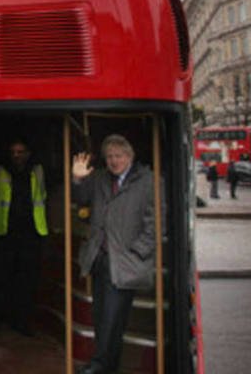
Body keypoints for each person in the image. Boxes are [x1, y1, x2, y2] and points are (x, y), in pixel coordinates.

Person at [72, 135, 157, 374]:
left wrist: (136, 253)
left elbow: (156, 225)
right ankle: (108, 366)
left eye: (118, 156)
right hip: (100, 259)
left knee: (111, 319)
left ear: (130, 157)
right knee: (102, 319)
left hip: (124, 263)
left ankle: (99, 366)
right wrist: (77, 179)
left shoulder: (149, 181)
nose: (113, 160)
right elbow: (80, 198)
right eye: (109, 156)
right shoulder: (99, 178)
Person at [0, 138, 48, 337]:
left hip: (32, 233)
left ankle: (21, 321)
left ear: (28, 153)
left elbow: (43, 196)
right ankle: (0, 319)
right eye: (13, 152)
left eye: (20, 151)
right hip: (5, 233)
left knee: (27, 280)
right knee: (3, 278)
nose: (16, 155)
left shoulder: (38, 170)